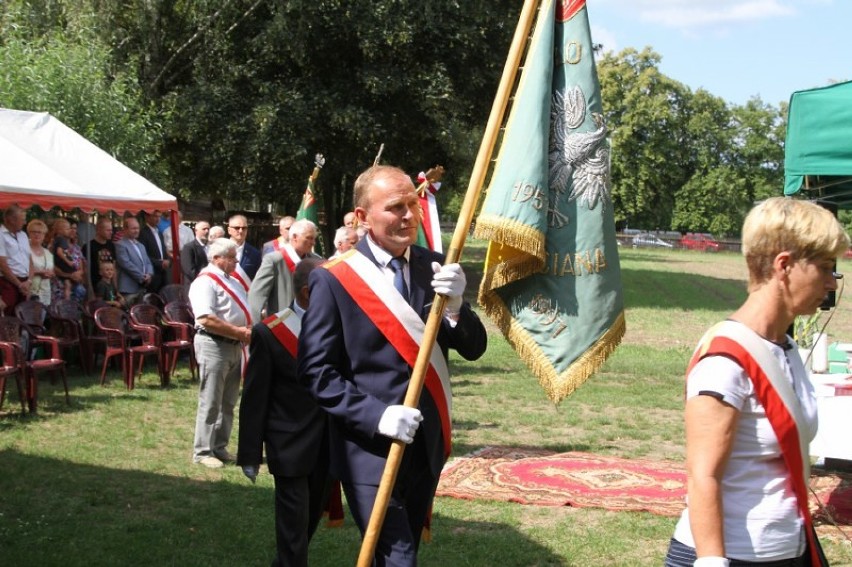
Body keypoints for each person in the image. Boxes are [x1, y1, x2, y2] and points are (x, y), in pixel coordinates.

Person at [298, 165, 487, 566]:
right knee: (397, 557)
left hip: (425, 442)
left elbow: (474, 348)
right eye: (395, 207)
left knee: (404, 551)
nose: (408, 216)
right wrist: (377, 415)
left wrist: (456, 309)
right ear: (363, 218)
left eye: (412, 205)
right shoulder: (334, 280)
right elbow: (317, 372)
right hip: (367, 448)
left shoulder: (433, 266)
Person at [664, 197, 848, 567]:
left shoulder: (787, 347)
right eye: (826, 267)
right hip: (732, 555)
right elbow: (703, 477)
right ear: (784, 266)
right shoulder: (724, 361)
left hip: (787, 549)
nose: (832, 282)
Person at [238, 257, 330, 567]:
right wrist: (250, 453)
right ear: (307, 292)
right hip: (289, 444)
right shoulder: (271, 332)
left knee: (306, 526)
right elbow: (255, 398)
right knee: (293, 529)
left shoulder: (338, 324)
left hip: (327, 444)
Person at [189, 237, 252, 468]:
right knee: (211, 400)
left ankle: (219, 446)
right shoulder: (205, 282)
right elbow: (206, 318)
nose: (236, 261)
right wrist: (239, 331)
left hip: (235, 344)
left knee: (228, 400)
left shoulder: (231, 280)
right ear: (216, 258)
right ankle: (203, 451)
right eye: (231, 258)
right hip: (214, 344)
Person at [115, 217, 154, 306]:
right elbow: (126, 264)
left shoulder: (141, 245)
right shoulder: (120, 245)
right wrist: (142, 276)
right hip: (128, 288)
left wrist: (149, 274)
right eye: (133, 228)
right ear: (125, 229)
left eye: (137, 228)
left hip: (142, 287)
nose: (136, 231)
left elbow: (148, 262)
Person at [50, 218, 87, 303]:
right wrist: (69, 275)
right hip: (59, 283)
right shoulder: (53, 245)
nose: (72, 231)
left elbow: (81, 267)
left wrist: (78, 274)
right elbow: (52, 266)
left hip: (75, 283)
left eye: (74, 228)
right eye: (70, 228)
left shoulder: (77, 248)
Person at [138, 210, 170, 292]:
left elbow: (162, 249)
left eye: (159, 216)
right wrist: (159, 263)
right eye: (155, 216)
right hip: (152, 273)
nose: (158, 219)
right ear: (147, 217)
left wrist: (167, 260)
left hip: (162, 272)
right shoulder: (143, 233)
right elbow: (143, 255)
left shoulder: (159, 232)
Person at [82, 216, 117, 291]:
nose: (111, 232)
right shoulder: (88, 247)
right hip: (95, 285)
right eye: (108, 230)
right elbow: (85, 270)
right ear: (98, 230)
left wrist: (116, 289)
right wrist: (90, 290)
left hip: (109, 287)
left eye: (111, 230)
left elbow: (114, 267)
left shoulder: (111, 245)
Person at [228, 213, 262, 284]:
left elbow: (258, 280)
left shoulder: (255, 254)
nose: (241, 231)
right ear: (229, 230)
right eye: (237, 228)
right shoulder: (220, 250)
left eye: (244, 228)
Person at [27, 219, 54, 305]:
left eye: (40, 232)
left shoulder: (48, 253)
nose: (37, 234)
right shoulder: (25, 250)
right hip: (29, 292)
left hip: (45, 292)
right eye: (34, 231)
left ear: (44, 235)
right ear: (29, 233)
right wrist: (39, 272)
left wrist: (51, 274)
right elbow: (19, 270)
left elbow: (52, 271)